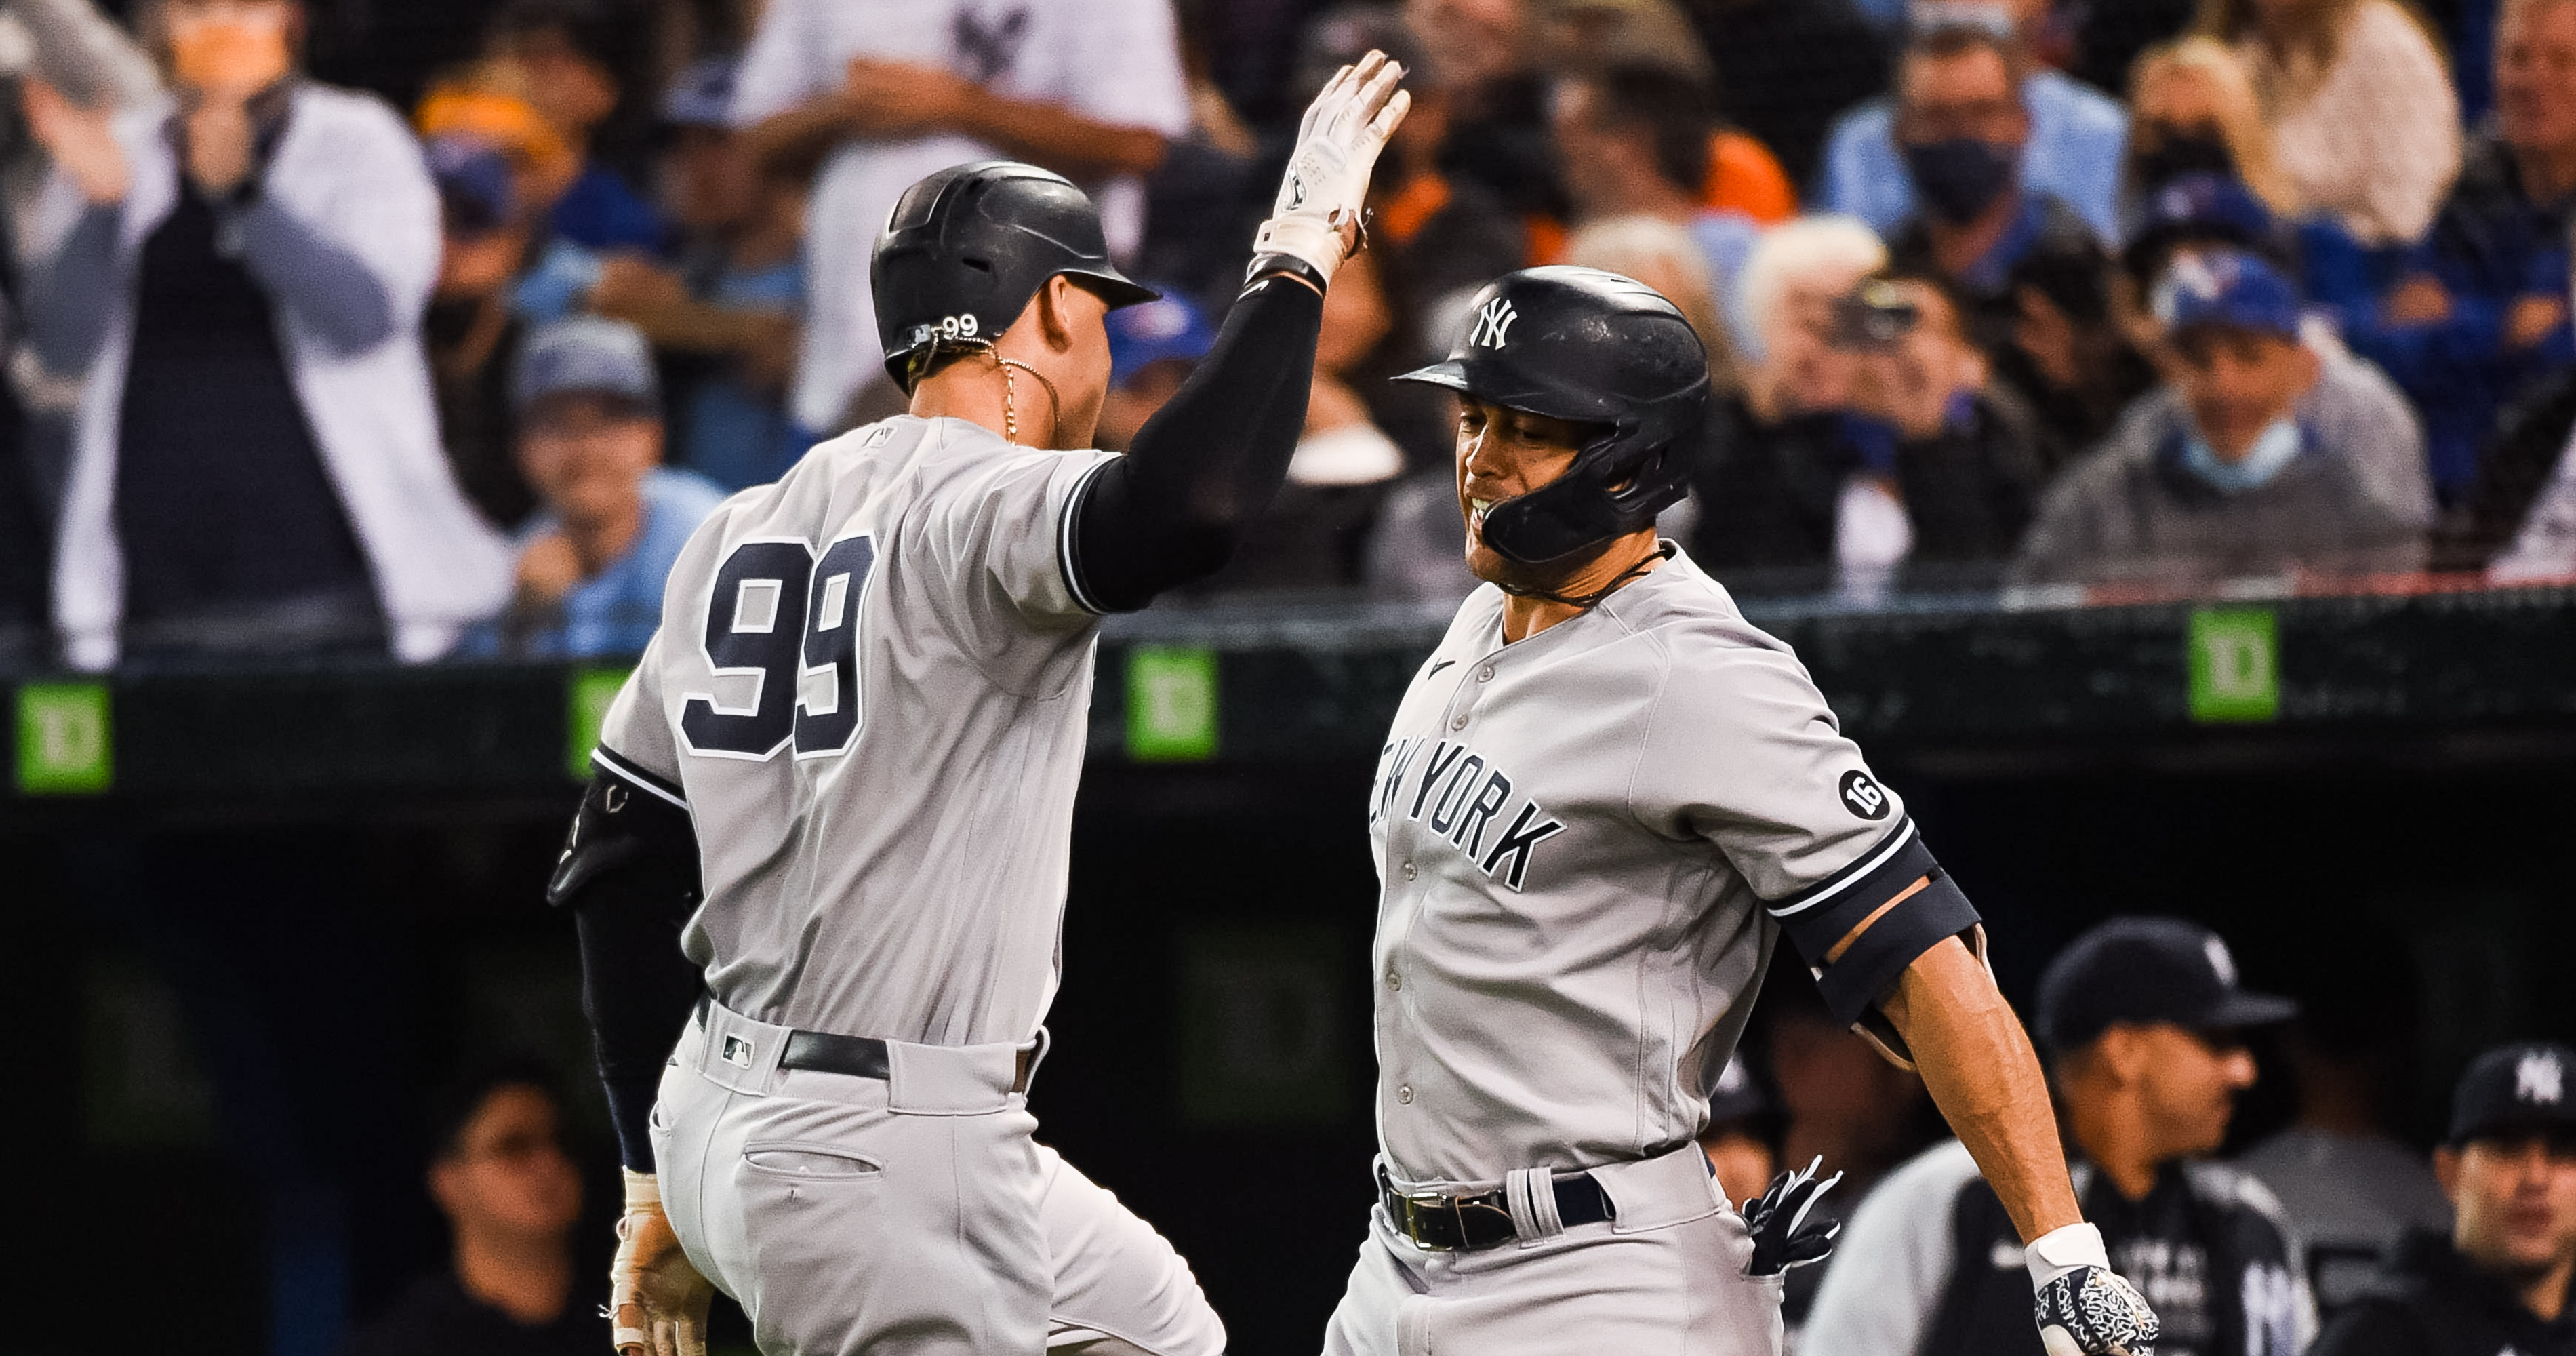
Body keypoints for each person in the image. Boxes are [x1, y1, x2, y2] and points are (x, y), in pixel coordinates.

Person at [557, 62, 1408, 1356]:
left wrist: (649, 1178)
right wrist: (1296, 255)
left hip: (746, 1114)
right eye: (1103, 311)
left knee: (1159, 1335)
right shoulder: (980, 500)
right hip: (874, 1151)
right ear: (1059, 304)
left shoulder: (740, 524)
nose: (1109, 342)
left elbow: (620, 855)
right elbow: (1192, 507)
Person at [1322, 263, 2160, 1355]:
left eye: (1526, 430)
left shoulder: (1701, 672)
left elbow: (1924, 960)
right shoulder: (1478, 622)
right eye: (1474, 417)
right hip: (1397, 1260)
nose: (1479, 461)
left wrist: (2062, 1253)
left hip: (1593, 1279)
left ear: (1627, 457)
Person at [20, 0, 510, 667]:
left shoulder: (357, 139)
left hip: (328, 588)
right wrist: (103, 207)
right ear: (162, 25)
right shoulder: (120, 145)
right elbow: (61, 344)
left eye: (245, 5)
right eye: (195, 7)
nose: (221, 23)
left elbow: (368, 317)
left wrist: (244, 194)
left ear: (290, 19)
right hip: (151, 601)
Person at [1805, 916, 2314, 1356]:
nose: (2244, 1070)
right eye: (2216, 1040)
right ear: (2125, 1051)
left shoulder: (2250, 1217)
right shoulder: (1952, 1194)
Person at [729, 0, 1190, 439]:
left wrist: (959, 104)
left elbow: (1138, 142)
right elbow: (756, 137)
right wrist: (844, 108)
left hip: (1018, 327)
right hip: (846, 336)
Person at [2011, 248, 2430, 592]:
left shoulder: (2361, 519)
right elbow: (2029, 636)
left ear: (2300, 369)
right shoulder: (2095, 504)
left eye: (2249, 357)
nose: (2223, 384)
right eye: (2197, 360)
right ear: (2168, 367)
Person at [1878, 19, 2148, 460]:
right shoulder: (1885, 276)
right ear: (1899, 134)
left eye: (1981, 112)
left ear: (2022, 124)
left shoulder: (2080, 272)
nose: (1961, 134)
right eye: (1938, 117)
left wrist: (2085, 382)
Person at [2351, 0, 2576, 504]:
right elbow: (2387, 336)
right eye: (2518, 59)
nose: (2534, 80)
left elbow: (2561, 361)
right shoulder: (2477, 179)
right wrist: (2504, 330)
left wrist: (2455, 324)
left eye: (2564, 62)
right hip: (2454, 475)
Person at [587, 54, 807, 494]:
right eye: (683, 146)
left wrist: (669, 317)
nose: (697, 164)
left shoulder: (827, 272)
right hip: (696, 539)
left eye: (719, 140)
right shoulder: (682, 270)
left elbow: (779, 346)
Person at [451, 317, 725, 661]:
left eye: (609, 423)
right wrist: (521, 624)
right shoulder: (510, 571)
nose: (586, 449)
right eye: (558, 426)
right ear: (522, 447)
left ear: (653, 436)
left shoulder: (711, 536)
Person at [2306, 1041, 2576, 1356]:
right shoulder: (2382, 1336)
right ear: (2451, 1173)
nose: (2535, 1178)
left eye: (2563, 1152)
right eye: (2507, 1150)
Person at [344, 1059, 604, 1356]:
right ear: (448, 1180)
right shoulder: (398, 1344)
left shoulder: (637, 1325)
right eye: (514, 1147)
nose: (550, 1163)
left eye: (562, 1141)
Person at [1819, 2, 2129, 244]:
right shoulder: (1857, 139)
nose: (1962, 5)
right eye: (1937, 117)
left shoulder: (2102, 128)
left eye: (1982, 112)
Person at [2194, 0, 2461, 247]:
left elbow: (2407, 220)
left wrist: (2302, 238)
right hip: (2243, 260)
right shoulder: (2230, 46)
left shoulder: (2387, 48)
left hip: (2363, 274)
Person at [1548, 62, 1763, 327]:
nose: (1562, 152)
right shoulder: (1570, 254)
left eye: (1577, 135)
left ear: (1633, 140)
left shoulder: (1731, 247)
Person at [424, 135, 541, 530]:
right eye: (424, 219)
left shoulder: (541, 356)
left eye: (469, 220)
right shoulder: (362, 350)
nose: (442, 242)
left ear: (516, 239)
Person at [486, 0, 660, 254]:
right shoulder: (450, 186)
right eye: (507, 54)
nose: (514, 75)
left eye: (544, 60)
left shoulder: (623, 225)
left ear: (603, 93)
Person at [2121, 37, 2300, 228]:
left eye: (2205, 130)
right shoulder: (2115, 250)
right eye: (2165, 130)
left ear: (2244, 141)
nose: (2186, 150)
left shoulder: (2308, 247)